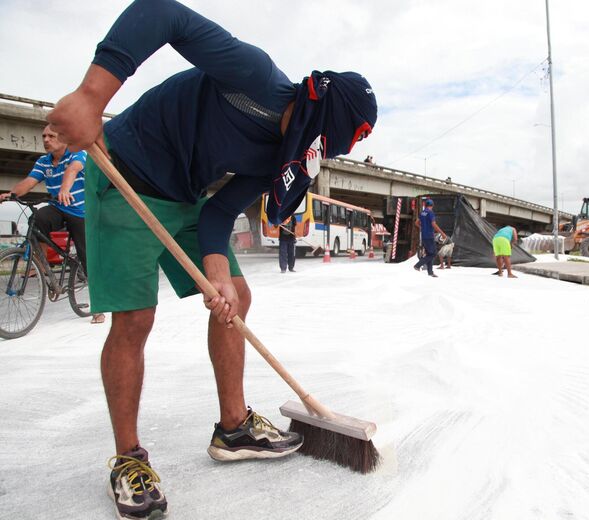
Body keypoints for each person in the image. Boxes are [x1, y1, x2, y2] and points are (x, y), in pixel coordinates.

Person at [46, 1, 377, 518]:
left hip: (186, 195)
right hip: (126, 172)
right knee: (135, 317)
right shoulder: (254, 74)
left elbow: (221, 212)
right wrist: (93, 95)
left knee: (236, 296)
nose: (313, 150)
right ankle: (128, 459)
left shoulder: (279, 155)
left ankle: (233, 427)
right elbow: (161, 13)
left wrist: (218, 276)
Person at [0, 125, 105, 324]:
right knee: (36, 221)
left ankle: (99, 306)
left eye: (51, 136)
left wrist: (65, 189)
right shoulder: (43, 161)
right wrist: (12, 194)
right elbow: (30, 181)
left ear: (64, 138)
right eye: (44, 136)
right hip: (58, 207)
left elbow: (72, 171)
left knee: (87, 258)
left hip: (81, 211)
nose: (46, 139)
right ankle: (40, 265)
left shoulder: (77, 154)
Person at [413, 198, 447, 277]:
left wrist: (423, 227)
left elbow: (416, 223)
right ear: (432, 205)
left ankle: (430, 272)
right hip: (429, 236)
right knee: (433, 254)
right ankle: (418, 265)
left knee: (429, 253)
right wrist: (442, 233)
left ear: (425, 205)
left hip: (424, 236)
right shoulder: (430, 212)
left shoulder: (422, 213)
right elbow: (434, 224)